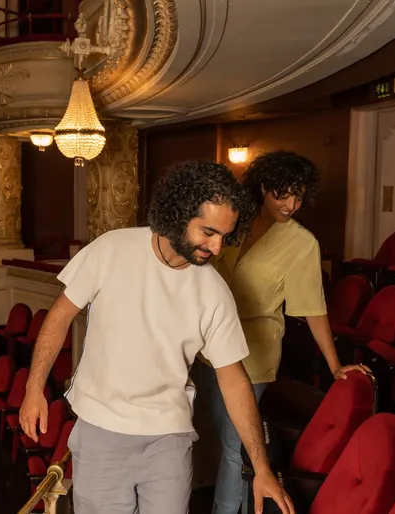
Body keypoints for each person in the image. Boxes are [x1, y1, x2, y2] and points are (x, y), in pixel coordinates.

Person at [18, 160, 296, 514]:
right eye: (207, 232)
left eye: (224, 237)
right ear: (178, 213)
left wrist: (261, 467)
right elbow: (59, 317)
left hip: (170, 435)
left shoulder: (213, 291)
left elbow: (234, 380)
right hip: (103, 429)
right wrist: (33, 388)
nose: (216, 247)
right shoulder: (111, 249)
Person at [198, 150, 370, 514]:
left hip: (253, 354)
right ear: (263, 187)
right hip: (208, 346)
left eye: (299, 196)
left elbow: (313, 308)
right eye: (283, 194)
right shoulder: (233, 223)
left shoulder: (302, 243)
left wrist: (335, 364)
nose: (292, 204)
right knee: (220, 433)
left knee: (235, 442)